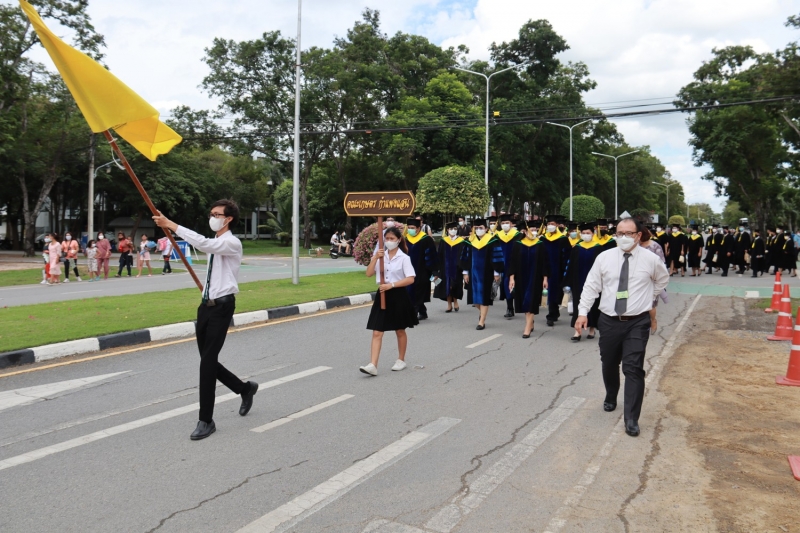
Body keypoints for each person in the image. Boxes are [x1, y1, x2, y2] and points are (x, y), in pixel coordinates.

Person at [153, 199, 258, 441]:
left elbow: (203, 244)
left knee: (207, 364)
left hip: (222, 308)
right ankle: (245, 389)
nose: (212, 217)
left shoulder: (231, 242)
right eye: (211, 213)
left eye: (216, 214)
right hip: (206, 307)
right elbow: (207, 248)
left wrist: (171, 224)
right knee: (207, 361)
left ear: (228, 219)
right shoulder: (217, 243)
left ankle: (206, 420)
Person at [575, 218, 670, 438]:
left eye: (629, 233)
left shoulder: (651, 259)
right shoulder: (604, 257)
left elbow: (662, 280)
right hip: (609, 320)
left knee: (633, 368)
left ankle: (631, 418)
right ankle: (611, 395)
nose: (624, 237)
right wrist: (582, 312)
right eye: (620, 233)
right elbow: (591, 286)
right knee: (609, 362)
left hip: (637, 321)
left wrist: (649, 296)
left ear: (638, 235)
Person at [359, 226, 418, 376]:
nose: (389, 241)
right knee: (377, 330)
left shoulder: (404, 258)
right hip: (382, 294)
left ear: (398, 240)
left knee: (400, 329)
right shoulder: (381, 256)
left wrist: (391, 285)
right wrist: (374, 258)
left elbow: (410, 279)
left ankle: (401, 359)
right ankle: (373, 364)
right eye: (387, 239)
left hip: (398, 294)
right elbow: (369, 273)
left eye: (392, 239)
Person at [461, 218, 504, 330]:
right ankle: (482, 313)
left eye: (481, 228)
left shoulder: (492, 241)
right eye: (476, 228)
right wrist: (465, 272)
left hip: (487, 274)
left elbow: (496, 257)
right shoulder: (470, 241)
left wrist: (496, 272)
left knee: (484, 297)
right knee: (475, 300)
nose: (478, 230)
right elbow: (465, 258)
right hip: (473, 274)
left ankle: (482, 321)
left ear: (486, 229)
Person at [508, 221, 549, 338]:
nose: (534, 232)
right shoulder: (518, 244)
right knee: (524, 300)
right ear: (525, 232)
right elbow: (513, 262)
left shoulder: (540, 244)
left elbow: (545, 263)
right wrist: (511, 278)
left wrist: (545, 278)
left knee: (532, 300)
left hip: (536, 277)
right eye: (532, 230)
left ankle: (527, 327)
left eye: (535, 230)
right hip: (521, 277)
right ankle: (530, 322)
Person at [564, 222, 603, 342]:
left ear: (593, 234)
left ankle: (592, 328)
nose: (586, 235)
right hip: (578, 281)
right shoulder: (577, 248)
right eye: (584, 233)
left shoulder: (598, 248)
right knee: (578, 304)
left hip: (594, 281)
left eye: (588, 233)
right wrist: (567, 282)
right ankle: (577, 331)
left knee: (594, 304)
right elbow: (570, 265)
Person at [403, 218, 438, 320]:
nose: (410, 230)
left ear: (418, 228)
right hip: (407, 270)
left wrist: (434, 271)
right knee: (411, 291)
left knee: (417, 291)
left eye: (413, 228)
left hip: (422, 270)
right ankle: (422, 312)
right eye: (409, 228)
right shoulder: (405, 239)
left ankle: (413, 314)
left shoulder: (426, 239)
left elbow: (432, 256)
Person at [540, 215, 570, 327]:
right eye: (548, 224)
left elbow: (567, 256)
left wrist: (565, 271)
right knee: (549, 291)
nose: (550, 226)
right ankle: (552, 314)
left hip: (558, 269)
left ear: (557, 225)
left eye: (552, 224)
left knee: (556, 291)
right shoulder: (543, 239)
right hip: (545, 268)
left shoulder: (563, 239)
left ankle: (554, 312)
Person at [433, 222, 465, 312]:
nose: (453, 230)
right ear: (447, 230)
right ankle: (449, 304)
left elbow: (463, 255)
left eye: (455, 229)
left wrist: (462, 267)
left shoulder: (461, 241)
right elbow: (439, 254)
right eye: (451, 229)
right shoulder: (444, 241)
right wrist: (437, 268)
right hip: (445, 268)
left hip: (457, 268)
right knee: (447, 286)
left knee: (455, 285)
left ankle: (455, 301)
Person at [639, 227, 666, 334]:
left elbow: (661, 263)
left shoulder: (655, 246)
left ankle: (653, 320)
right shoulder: (635, 246)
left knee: (650, 303)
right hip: (637, 279)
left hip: (651, 280)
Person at [495, 214, 522, 319]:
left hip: (517, 264)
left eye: (507, 223)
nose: (505, 225)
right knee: (507, 286)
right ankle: (510, 308)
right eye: (503, 223)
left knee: (518, 286)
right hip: (504, 265)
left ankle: (520, 306)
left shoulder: (518, 235)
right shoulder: (497, 236)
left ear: (511, 224)